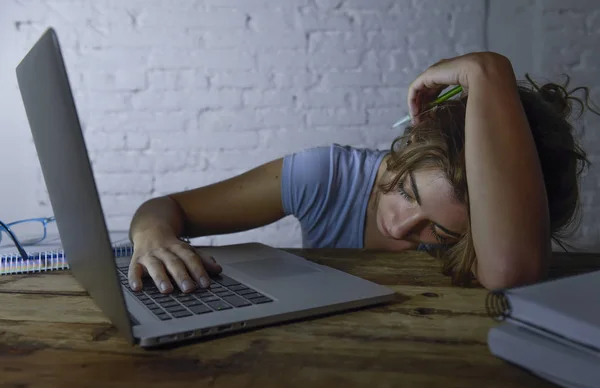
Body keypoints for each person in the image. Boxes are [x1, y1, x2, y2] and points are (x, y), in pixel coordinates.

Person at [127, 51, 598, 293]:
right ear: (407, 145)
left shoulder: (502, 243)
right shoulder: (328, 176)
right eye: (407, 192)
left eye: (438, 230)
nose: (399, 225)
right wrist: (152, 238)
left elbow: (513, 272)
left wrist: (487, 70)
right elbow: (165, 208)